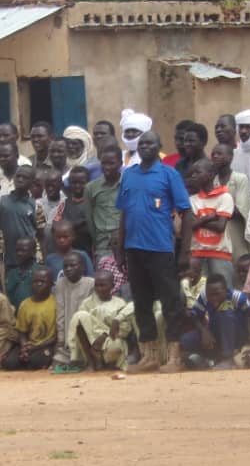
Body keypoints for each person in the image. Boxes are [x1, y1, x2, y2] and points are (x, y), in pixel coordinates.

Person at [117, 130, 194, 373]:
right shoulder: (128, 175)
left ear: (160, 146)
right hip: (134, 248)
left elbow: (186, 212)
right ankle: (148, 356)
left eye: (151, 143)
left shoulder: (169, 174)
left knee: (171, 303)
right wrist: (119, 248)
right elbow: (124, 213)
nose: (145, 147)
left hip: (161, 248)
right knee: (141, 303)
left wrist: (184, 252)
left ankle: (174, 356)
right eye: (142, 144)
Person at [0, 165, 45, 286]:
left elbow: (41, 236)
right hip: (8, 261)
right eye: (18, 176)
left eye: (25, 177)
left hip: (31, 261)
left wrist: (43, 263)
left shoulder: (36, 205)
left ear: (32, 183)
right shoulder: (0, 201)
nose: (20, 179)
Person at [181, 273, 250, 370]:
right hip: (216, 334)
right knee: (186, 340)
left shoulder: (238, 297)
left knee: (225, 314)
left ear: (226, 291)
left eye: (217, 294)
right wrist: (204, 331)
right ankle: (209, 360)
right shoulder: (204, 296)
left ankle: (228, 359)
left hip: (237, 336)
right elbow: (195, 316)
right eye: (210, 295)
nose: (214, 298)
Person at [67, 270, 132, 371]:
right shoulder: (87, 302)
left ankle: (105, 362)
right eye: (96, 285)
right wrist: (97, 337)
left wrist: (104, 335)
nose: (99, 289)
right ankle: (90, 361)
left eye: (103, 285)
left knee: (116, 346)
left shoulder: (120, 303)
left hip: (110, 340)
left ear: (112, 286)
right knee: (80, 316)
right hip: (90, 343)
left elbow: (125, 330)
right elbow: (79, 323)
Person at [188, 158, 236, 287]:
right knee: (197, 294)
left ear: (210, 175)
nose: (193, 176)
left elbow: (220, 227)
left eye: (198, 172)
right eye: (192, 173)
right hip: (197, 253)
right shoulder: (191, 200)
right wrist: (208, 217)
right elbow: (190, 226)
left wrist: (199, 220)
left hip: (220, 253)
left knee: (224, 294)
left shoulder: (224, 197)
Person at [3, 267, 56, 370]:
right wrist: (24, 348)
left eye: (42, 281)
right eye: (35, 281)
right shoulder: (25, 304)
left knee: (35, 362)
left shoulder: (56, 303)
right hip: (29, 344)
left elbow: (56, 336)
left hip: (45, 345)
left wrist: (35, 348)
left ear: (51, 284)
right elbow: (22, 331)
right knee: (9, 363)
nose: (38, 284)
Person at [50, 252, 96, 372]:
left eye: (73, 265)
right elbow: (60, 314)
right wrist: (60, 340)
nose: (68, 269)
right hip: (67, 340)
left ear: (82, 267)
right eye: (65, 266)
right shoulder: (60, 284)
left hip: (85, 334)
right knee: (57, 364)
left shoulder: (91, 283)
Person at [209, 142, 250, 261]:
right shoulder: (211, 181)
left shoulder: (240, 179)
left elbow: (240, 211)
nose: (215, 156)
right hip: (215, 236)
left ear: (230, 157)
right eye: (213, 154)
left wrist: (216, 210)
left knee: (238, 267)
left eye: (219, 154)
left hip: (235, 234)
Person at [86, 145, 123, 264]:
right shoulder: (91, 188)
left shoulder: (127, 185)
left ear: (120, 163)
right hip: (102, 243)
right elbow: (89, 217)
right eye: (103, 163)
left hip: (123, 241)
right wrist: (95, 240)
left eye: (111, 163)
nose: (107, 167)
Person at [55, 165, 93, 255]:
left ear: (89, 182)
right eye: (74, 182)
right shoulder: (64, 203)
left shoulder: (93, 203)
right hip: (67, 252)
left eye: (82, 183)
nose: (77, 186)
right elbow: (56, 224)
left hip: (88, 250)